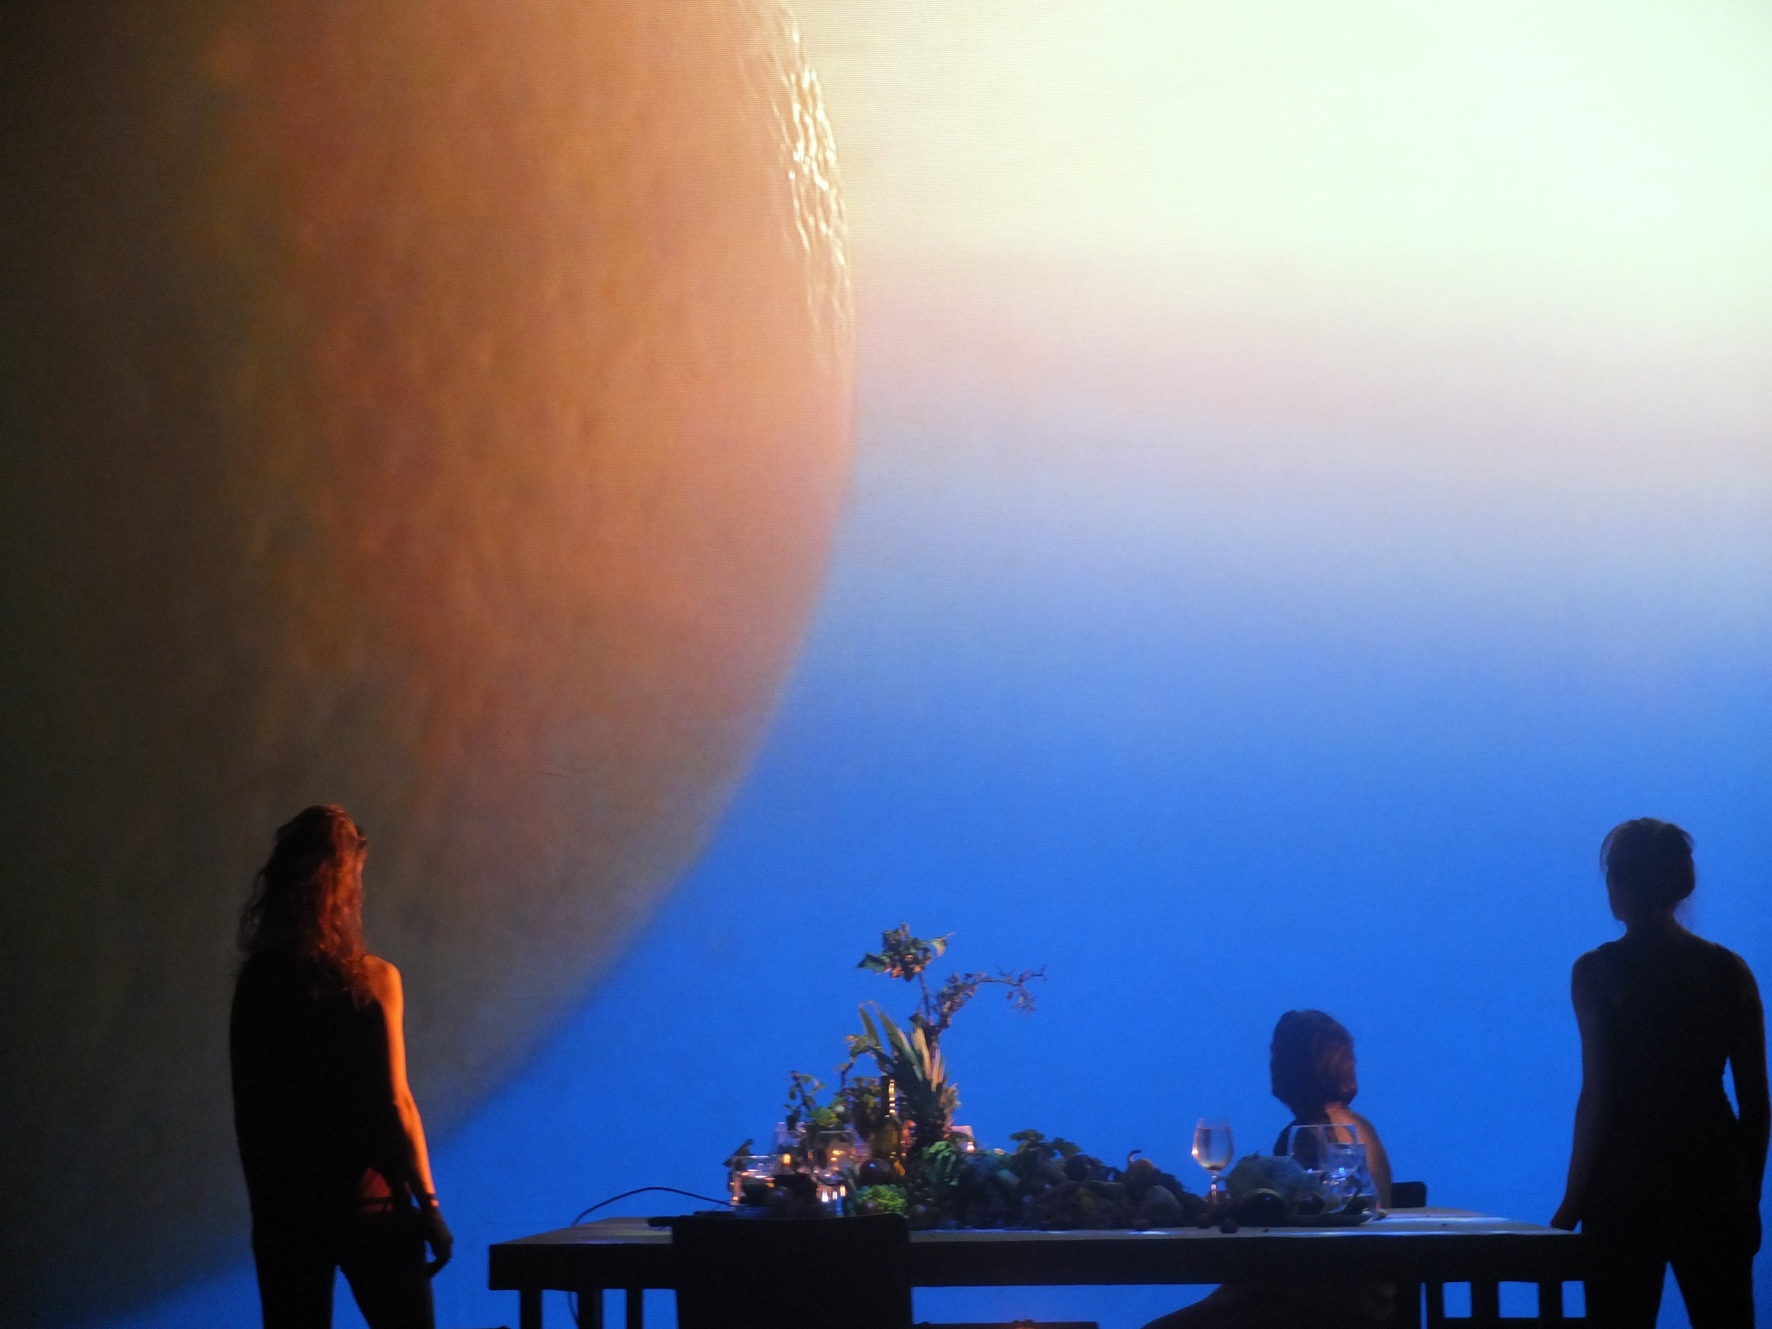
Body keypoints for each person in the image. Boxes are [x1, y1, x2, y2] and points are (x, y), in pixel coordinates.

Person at [231, 805, 453, 1329]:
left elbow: (250, 1112)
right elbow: (396, 1104)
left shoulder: (259, 984)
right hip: (371, 1202)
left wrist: (268, 1214)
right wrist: (430, 1207)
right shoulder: (374, 982)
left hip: (287, 1211)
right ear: (344, 884)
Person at [1551, 818, 1767, 1329]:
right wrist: (1748, 1196)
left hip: (1623, 1181)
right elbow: (1756, 1103)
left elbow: (1598, 1094)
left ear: (1618, 884)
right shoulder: (1730, 970)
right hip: (1713, 1176)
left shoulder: (1596, 971)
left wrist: (1571, 1205)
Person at [1141, 1010, 1394, 1329]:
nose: (1272, 1065)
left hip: (1321, 1306)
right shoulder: (1361, 1128)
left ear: (1298, 1066)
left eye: (1278, 1054)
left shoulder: (1308, 1135)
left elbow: (1291, 1239)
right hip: (1355, 1299)